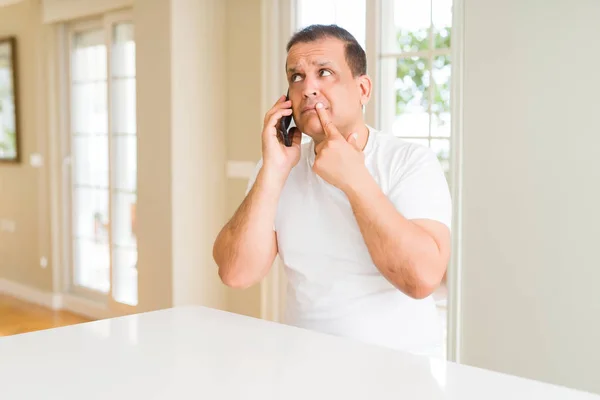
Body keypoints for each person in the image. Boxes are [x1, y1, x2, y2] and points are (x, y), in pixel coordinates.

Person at [213, 24, 452, 357]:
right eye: (296, 77)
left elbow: (421, 279)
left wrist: (354, 179)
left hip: (400, 375)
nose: (308, 88)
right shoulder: (278, 167)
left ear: (363, 89)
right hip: (304, 368)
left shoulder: (410, 162)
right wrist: (272, 171)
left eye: (324, 72)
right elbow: (236, 272)